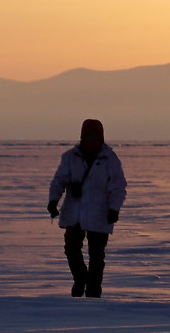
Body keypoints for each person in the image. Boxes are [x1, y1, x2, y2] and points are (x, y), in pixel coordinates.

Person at [46, 119, 127, 297]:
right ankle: (81, 278)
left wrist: (114, 209)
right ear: (82, 138)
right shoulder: (70, 157)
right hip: (75, 212)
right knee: (71, 248)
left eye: (96, 137)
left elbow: (118, 186)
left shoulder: (110, 159)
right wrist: (53, 201)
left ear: (101, 138)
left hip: (101, 213)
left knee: (97, 255)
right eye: (89, 137)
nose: (92, 141)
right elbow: (59, 180)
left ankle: (93, 293)